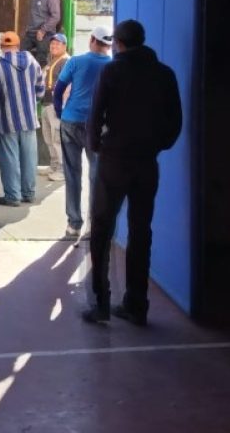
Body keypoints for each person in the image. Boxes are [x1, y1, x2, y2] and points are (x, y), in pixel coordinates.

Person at [82, 19, 182, 326]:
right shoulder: (165, 74)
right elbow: (175, 121)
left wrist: (96, 146)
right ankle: (137, 305)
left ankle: (100, 303)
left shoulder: (112, 72)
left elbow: (96, 114)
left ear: (119, 44)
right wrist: (156, 146)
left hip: (114, 160)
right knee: (141, 231)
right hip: (146, 163)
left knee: (102, 229)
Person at [53, 25, 112, 239]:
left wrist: (60, 112)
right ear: (108, 45)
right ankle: (92, 226)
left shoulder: (76, 61)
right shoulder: (112, 66)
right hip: (97, 126)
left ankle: (73, 224)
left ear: (92, 40)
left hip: (71, 121)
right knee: (96, 176)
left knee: (72, 173)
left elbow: (58, 90)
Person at [0, 31, 43, 207]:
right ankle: (28, 193)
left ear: (2, 47)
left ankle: (12, 196)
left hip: (6, 122)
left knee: (9, 159)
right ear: (18, 46)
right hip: (29, 121)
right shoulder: (33, 63)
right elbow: (40, 91)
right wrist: (29, 105)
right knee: (29, 158)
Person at [40, 33, 70, 182]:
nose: (54, 46)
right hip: (47, 103)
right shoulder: (52, 61)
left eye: (58, 44)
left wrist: (61, 106)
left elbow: (67, 85)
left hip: (56, 104)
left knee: (57, 138)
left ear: (64, 46)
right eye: (52, 44)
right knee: (48, 137)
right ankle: (54, 165)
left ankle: (62, 170)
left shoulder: (66, 61)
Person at [21, 0, 61, 67]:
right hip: (31, 32)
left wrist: (43, 30)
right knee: (21, 54)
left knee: (41, 59)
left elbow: (56, 17)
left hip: (45, 34)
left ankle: (39, 75)